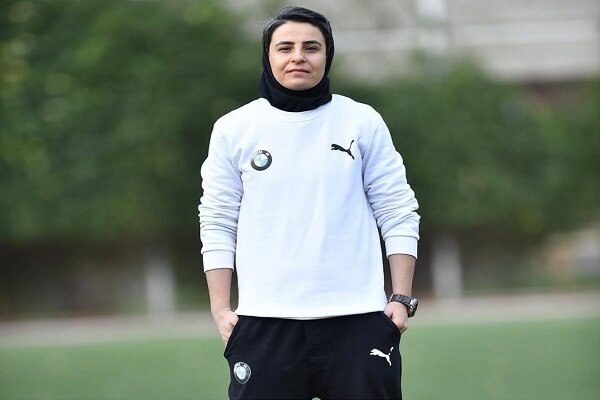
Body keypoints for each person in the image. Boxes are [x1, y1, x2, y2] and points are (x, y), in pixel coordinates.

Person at [199, 6, 420, 400]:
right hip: (264, 323)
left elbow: (398, 209)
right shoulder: (234, 129)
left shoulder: (362, 121)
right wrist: (220, 308)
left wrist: (400, 298)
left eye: (311, 47)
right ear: (268, 56)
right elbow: (217, 219)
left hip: (358, 320)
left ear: (327, 55)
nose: (298, 56)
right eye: (285, 47)